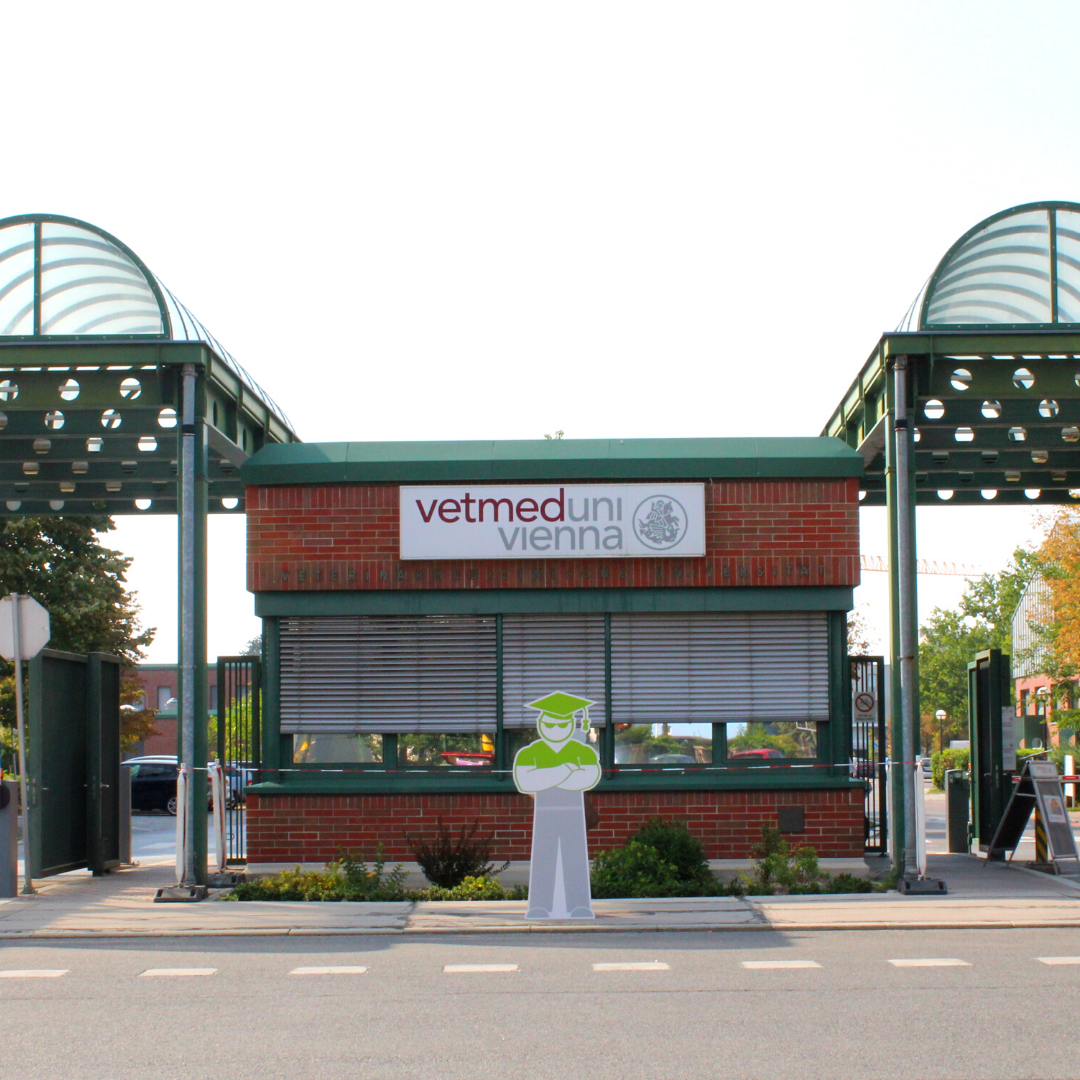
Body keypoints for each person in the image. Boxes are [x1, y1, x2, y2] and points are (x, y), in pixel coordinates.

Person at [512, 691, 601, 919]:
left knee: (574, 858)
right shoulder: (530, 752)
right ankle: (540, 906)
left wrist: (546, 776)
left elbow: (588, 778)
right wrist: (564, 770)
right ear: (541, 724)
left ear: (571, 725)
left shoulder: (583, 751)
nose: (555, 729)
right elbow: (525, 780)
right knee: (544, 858)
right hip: (545, 814)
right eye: (550, 724)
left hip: (573, 813)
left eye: (562, 725)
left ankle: (578, 906)